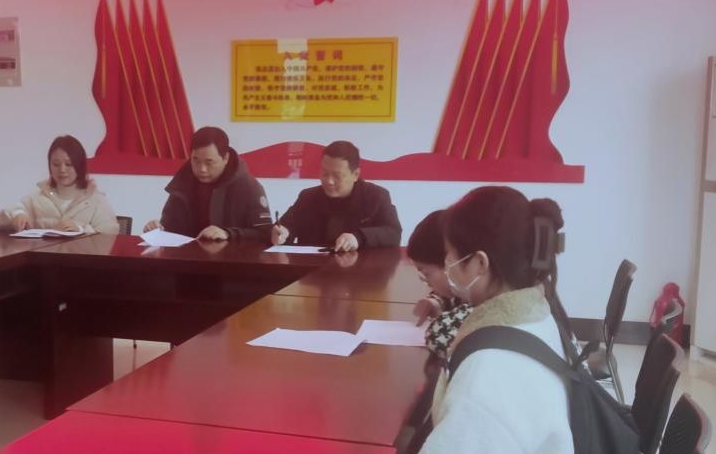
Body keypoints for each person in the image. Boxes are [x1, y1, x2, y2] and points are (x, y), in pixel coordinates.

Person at [385, 186, 574, 454]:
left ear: (479, 263)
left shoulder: (491, 368)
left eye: (449, 256)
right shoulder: (536, 315)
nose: (446, 266)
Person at [144, 126, 271, 241]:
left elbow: (265, 234)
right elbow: (170, 227)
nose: (202, 169)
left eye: (209, 162)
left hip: (231, 258)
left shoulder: (249, 187)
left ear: (225, 158)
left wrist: (228, 234)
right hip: (187, 257)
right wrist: (158, 230)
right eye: (196, 161)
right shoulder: (183, 183)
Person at [270, 141, 401, 252]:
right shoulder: (307, 197)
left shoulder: (376, 196)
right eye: (324, 173)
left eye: (337, 176)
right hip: (312, 268)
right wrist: (282, 233)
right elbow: (285, 226)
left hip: (360, 270)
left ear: (355, 174)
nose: (329, 181)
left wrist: (358, 238)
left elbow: (393, 233)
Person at [0, 135, 119, 234]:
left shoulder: (96, 200)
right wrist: (17, 215)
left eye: (68, 164)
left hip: (81, 259)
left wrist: (81, 230)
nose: (62, 170)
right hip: (43, 259)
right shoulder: (38, 197)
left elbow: (110, 234)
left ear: (79, 166)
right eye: (56, 164)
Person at [406, 209, 472, 359]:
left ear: (452, 264)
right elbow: (454, 295)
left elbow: (438, 337)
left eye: (426, 274)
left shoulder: (483, 306)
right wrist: (437, 301)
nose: (425, 281)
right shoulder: (471, 289)